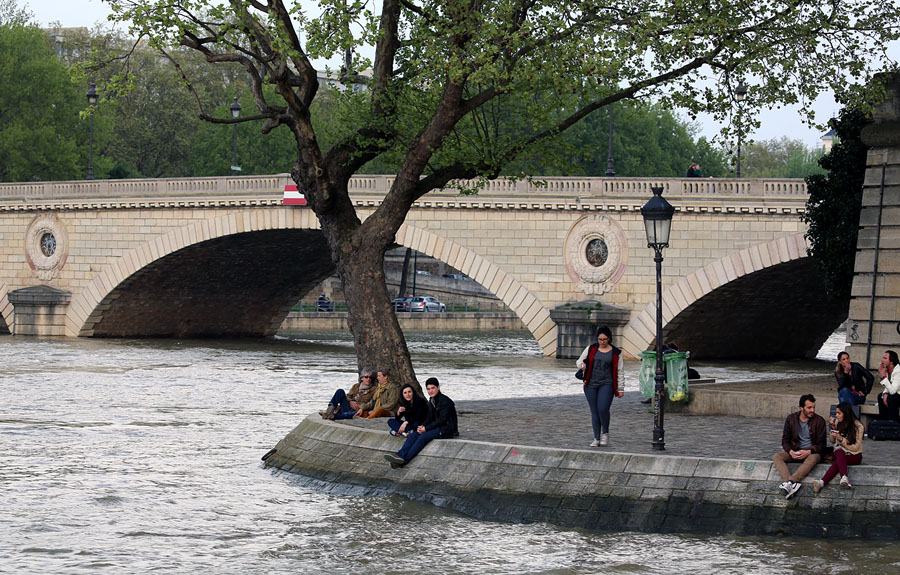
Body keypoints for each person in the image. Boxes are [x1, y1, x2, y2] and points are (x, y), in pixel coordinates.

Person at [385, 377, 458, 467]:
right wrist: (422, 426)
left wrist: (426, 428)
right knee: (414, 434)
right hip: (437, 426)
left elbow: (442, 420)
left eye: (433, 388)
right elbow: (429, 417)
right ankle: (399, 455)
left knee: (423, 437)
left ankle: (404, 461)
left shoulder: (445, 401)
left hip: (447, 429)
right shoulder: (432, 400)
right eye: (428, 389)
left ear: (438, 388)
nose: (430, 391)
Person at [772, 394, 827, 499]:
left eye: (813, 407)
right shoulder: (791, 419)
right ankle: (788, 484)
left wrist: (809, 451)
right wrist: (790, 451)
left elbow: (822, 445)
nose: (812, 410)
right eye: (809, 407)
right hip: (796, 450)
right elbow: (785, 440)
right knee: (777, 456)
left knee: (813, 458)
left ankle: (791, 481)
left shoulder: (819, 421)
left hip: (812, 452)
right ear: (802, 408)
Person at [576, 326, 624, 447]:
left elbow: (620, 371)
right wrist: (581, 364)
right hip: (590, 384)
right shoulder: (591, 349)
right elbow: (579, 360)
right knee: (594, 411)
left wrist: (621, 388)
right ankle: (596, 438)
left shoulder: (616, 353)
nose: (602, 342)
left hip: (607, 384)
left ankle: (605, 433)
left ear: (609, 339)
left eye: (604, 339)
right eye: (600, 339)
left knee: (603, 409)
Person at [813, 402, 864, 493]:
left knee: (839, 459)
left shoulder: (858, 426)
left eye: (839, 413)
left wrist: (841, 439)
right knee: (839, 451)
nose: (837, 415)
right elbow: (832, 441)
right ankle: (844, 478)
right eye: (836, 413)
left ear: (846, 414)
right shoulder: (838, 422)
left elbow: (856, 448)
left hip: (854, 455)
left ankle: (822, 482)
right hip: (840, 453)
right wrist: (833, 427)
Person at [877, 350, 900, 422]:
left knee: (891, 398)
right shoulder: (888, 369)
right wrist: (885, 393)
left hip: (897, 394)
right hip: (896, 394)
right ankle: (884, 422)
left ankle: (894, 423)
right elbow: (889, 385)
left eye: (885, 358)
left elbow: (893, 391)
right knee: (880, 396)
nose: (882, 360)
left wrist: (883, 377)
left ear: (891, 361)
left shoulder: (898, 371)